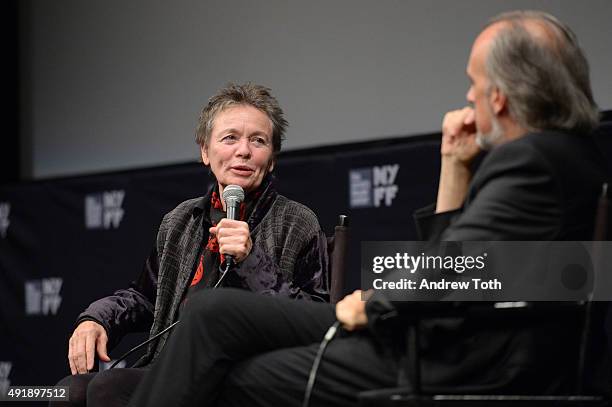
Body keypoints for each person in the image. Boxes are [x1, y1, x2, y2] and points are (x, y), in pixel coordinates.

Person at [127, 10, 607, 407]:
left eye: (474, 83)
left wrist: (374, 301)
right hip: (451, 338)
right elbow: (460, 264)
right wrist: (454, 165)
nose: (468, 96)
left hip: (453, 356)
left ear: (499, 98)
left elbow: (449, 271)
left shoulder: (532, 162)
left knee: (232, 363)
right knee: (212, 314)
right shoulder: (572, 157)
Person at [51, 83, 329, 407]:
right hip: (172, 367)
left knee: (111, 388)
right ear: (205, 152)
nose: (244, 151)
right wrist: (96, 319)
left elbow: (316, 319)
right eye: (230, 138)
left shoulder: (297, 222)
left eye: (258, 141)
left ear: (271, 159)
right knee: (69, 392)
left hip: (249, 375)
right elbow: (144, 297)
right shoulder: (181, 220)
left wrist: (252, 261)